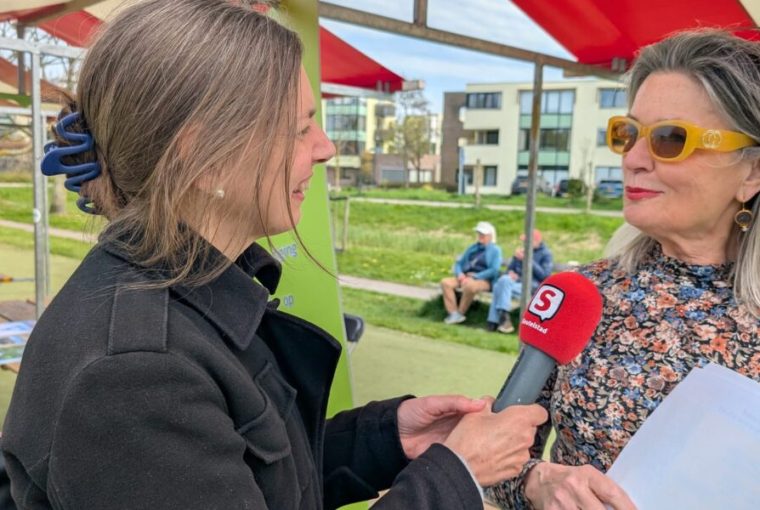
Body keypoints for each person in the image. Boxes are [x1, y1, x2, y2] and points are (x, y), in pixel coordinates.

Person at [1, 2, 551, 509]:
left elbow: (249, 474)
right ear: (204, 158)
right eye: (299, 128)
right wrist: (455, 475)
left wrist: (384, 438)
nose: (325, 148)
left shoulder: (184, 295)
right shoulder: (135, 375)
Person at [486, 28, 760, 510]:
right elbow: (492, 460)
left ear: (752, 172)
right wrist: (537, 483)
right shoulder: (580, 294)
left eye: (670, 139)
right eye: (628, 134)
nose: (632, 159)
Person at [487, 230, 553, 334]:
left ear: (536, 241)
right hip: (514, 284)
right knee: (502, 282)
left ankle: (494, 322)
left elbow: (544, 276)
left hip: (532, 287)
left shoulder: (546, 254)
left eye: (527, 241)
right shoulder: (522, 252)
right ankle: (503, 318)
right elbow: (509, 270)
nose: (524, 244)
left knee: (499, 286)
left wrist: (527, 260)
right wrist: (510, 273)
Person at [440, 221, 503, 324]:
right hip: (466, 276)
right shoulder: (473, 247)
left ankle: (460, 313)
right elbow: (459, 263)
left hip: (484, 279)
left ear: (490, 236)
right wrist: (460, 274)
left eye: (483, 234)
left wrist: (475, 277)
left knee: (470, 286)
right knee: (446, 282)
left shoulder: (496, 250)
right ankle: (453, 313)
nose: (480, 236)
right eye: (479, 234)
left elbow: (494, 270)